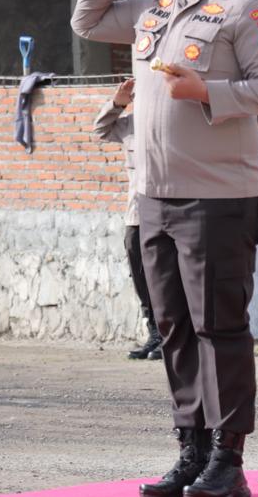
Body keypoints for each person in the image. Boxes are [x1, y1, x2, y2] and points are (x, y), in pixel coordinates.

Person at [71, 0, 258, 497]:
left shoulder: (247, 12)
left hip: (217, 198)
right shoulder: (153, 7)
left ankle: (228, 458)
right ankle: (191, 449)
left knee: (219, 328)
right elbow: (86, 22)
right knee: (173, 328)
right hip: (154, 198)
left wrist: (206, 90)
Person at [92, 78, 161, 361]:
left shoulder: (168, 125)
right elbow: (100, 130)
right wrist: (117, 102)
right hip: (136, 215)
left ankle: (172, 336)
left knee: (165, 279)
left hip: (165, 214)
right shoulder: (128, 125)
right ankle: (155, 333)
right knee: (142, 277)